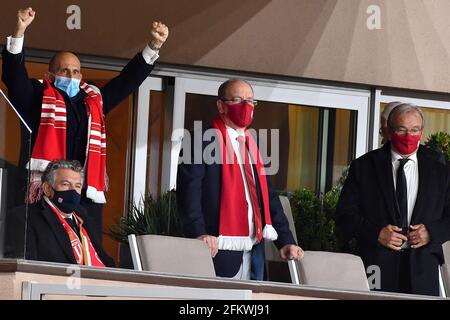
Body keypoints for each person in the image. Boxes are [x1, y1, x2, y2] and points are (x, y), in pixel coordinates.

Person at [1, 7, 169, 238]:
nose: (71, 76)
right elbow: (14, 76)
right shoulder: (37, 96)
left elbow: (126, 82)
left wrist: (153, 47)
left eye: (76, 71)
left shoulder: (94, 99)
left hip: (85, 195)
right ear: (50, 76)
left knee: (88, 251)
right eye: (65, 71)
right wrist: (19, 31)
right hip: (46, 192)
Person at [176, 79, 303, 280]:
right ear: (221, 106)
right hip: (217, 250)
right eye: (237, 100)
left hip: (256, 253)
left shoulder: (254, 144)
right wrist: (198, 234)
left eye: (250, 101)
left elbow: (268, 199)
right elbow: (188, 195)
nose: (245, 106)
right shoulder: (198, 141)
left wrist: (286, 241)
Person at [336, 103, 450, 296]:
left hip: (423, 268)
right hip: (377, 264)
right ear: (388, 130)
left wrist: (431, 233)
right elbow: (344, 214)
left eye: (414, 130)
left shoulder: (440, 169)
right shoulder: (364, 166)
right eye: (401, 129)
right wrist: (376, 233)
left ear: (422, 132)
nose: (408, 136)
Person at [26, 159, 115, 267]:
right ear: (48, 189)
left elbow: (104, 259)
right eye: (65, 184)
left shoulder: (85, 219)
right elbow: (27, 268)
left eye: (77, 186)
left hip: (95, 281)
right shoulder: (27, 217)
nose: (73, 191)